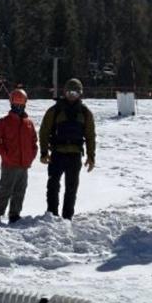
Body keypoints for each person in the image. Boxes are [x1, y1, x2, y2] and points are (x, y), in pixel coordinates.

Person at [38, 78, 96, 220]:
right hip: (57, 154)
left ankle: (67, 217)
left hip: (75, 156)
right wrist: (44, 152)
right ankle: (52, 214)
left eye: (75, 92)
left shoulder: (85, 113)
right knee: (53, 185)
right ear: (64, 92)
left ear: (80, 94)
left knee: (71, 188)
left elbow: (90, 135)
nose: (72, 95)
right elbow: (44, 132)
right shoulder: (55, 110)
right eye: (70, 92)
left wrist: (91, 156)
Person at [0, 89, 37, 224]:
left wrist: (31, 156)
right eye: (16, 105)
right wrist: (5, 154)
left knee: (20, 190)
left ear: (25, 104)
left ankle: (14, 214)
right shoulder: (4, 122)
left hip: (24, 164)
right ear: (11, 104)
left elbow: (34, 142)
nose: (18, 108)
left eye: (21, 105)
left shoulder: (29, 123)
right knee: (5, 190)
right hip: (10, 164)